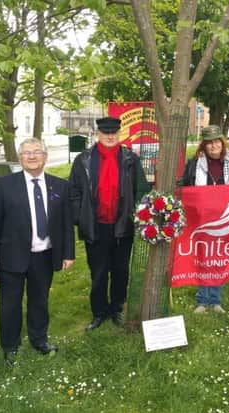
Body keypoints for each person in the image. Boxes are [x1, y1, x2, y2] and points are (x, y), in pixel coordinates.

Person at [0, 137, 75, 366]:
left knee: (40, 300)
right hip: (12, 256)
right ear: (20, 157)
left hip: (44, 255)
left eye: (37, 152)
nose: (32, 156)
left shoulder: (60, 186)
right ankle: (10, 346)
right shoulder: (4, 185)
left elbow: (66, 222)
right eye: (27, 152)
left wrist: (68, 253)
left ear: (45, 156)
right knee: (10, 304)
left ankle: (39, 339)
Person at [68, 116, 150, 331]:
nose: (110, 136)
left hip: (123, 224)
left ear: (119, 134)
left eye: (114, 133)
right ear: (98, 134)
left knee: (121, 270)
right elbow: (74, 191)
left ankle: (117, 308)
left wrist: (140, 215)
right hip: (96, 226)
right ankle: (99, 312)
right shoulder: (83, 160)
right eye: (106, 133)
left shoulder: (131, 159)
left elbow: (141, 190)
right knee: (98, 271)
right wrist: (79, 217)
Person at [181, 124, 229, 314]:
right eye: (209, 143)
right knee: (203, 257)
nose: (213, 146)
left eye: (216, 141)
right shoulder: (194, 164)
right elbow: (186, 188)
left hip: (224, 218)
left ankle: (215, 300)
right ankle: (202, 300)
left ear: (222, 143)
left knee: (218, 258)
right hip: (202, 219)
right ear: (203, 145)